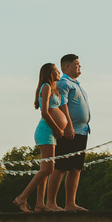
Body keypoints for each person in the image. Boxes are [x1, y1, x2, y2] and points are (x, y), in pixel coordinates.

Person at [13, 63, 66, 213]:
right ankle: (21, 198)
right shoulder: (46, 87)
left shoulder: (53, 88)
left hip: (51, 133)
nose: (58, 72)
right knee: (48, 168)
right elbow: (44, 113)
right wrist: (57, 129)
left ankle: (39, 204)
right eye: (56, 70)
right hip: (46, 131)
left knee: (45, 169)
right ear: (49, 73)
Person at [47, 53, 91, 211]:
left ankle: (70, 203)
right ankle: (51, 203)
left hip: (82, 131)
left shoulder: (77, 84)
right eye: (76, 64)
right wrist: (69, 126)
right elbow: (62, 105)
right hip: (69, 132)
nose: (79, 67)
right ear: (67, 66)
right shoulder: (63, 83)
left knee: (75, 168)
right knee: (60, 167)